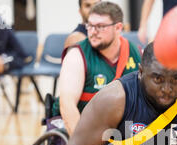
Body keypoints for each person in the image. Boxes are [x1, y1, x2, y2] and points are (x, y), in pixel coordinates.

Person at [54, 1, 142, 135]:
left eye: (100, 27)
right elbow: (67, 106)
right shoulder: (76, 55)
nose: (93, 32)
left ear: (118, 28)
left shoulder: (135, 52)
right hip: (86, 128)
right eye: (90, 26)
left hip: (121, 128)